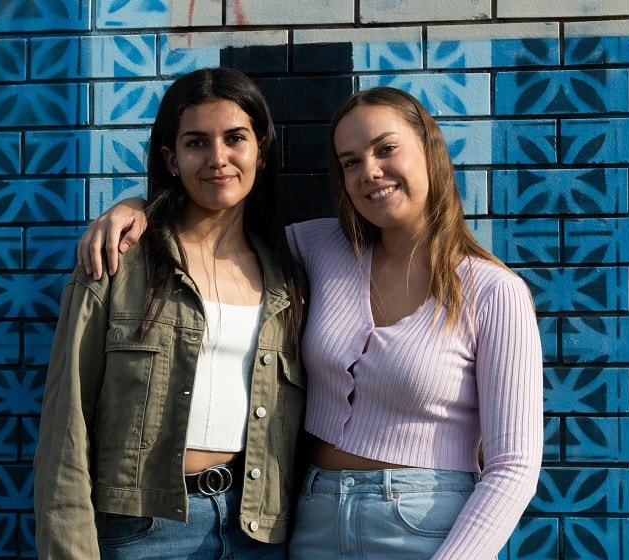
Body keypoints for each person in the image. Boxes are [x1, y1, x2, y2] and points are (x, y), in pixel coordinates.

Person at [78, 85, 544, 559]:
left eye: (386, 149)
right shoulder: (318, 249)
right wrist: (136, 208)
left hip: (425, 526)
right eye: (350, 161)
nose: (370, 172)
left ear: (430, 150)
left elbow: (515, 466)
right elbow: (217, 226)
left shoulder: (493, 293)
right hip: (313, 518)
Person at [33, 67, 307, 560]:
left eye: (235, 139)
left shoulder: (288, 278)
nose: (218, 158)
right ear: (171, 158)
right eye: (197, 142)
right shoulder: (118, 261)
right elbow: (65, 428)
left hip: (259, 532)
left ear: (261, 152)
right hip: (143, 532)